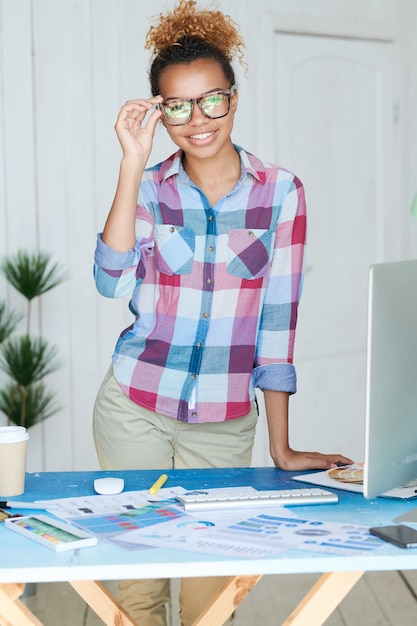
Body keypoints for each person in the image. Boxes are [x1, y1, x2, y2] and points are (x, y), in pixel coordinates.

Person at [93, 1, 353, 624]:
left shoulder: (281, 192)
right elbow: (109, 280)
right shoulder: (150, 186)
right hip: (135, 405)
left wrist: (282, 448)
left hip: (224, 421)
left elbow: (278, 324)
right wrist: (132, 162)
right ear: (161, 112)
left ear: (233, 99)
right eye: (177, 106)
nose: (198, 119)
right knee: (142, 584)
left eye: (213, 99)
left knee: (213, 592)